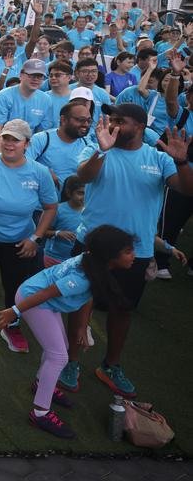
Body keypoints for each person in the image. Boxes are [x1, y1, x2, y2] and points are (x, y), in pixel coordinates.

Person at [70, 103, 193, 397]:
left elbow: (187, 190)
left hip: (135, 252)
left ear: (139, 126)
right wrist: (101, 151)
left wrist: (182, 162)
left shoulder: (158, 158)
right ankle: (70, 361)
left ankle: (110, 365)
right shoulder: (96, 149)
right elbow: (83, 177)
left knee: (122, 309)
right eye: (111, 119)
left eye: (120, 120)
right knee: (79, 303)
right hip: (92, 244)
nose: (113, 124)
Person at [0, 226, 136, 439]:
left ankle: (41, 384)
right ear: (110, 256)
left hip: (42, 300)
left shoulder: (93, 263)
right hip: (35, 301)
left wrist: (82, 327)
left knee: (60, 349)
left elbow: (88, 296)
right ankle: (40, 413)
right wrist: (14, 311)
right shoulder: (82, 278)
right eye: (128, 251)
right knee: (58, 356)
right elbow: (47, 293)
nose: (134, 256)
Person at [0, 119, 59, 366]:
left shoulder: (39, 172)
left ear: (27, 144)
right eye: (6, 138)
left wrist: (35, 238)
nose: (9, 143)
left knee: (16, 288)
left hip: (19, 242)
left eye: (15, 139)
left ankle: (11, 325)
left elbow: (50, 207)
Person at [0, 59, 53, 152]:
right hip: (4, 146)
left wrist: (32, 155)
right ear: (21, 75)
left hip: (28, 151)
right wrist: (0, 156)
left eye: (40, 76)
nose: (35, 79)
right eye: (31, 75)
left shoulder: (46, 100)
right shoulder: (4, 96)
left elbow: (42, 133)